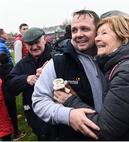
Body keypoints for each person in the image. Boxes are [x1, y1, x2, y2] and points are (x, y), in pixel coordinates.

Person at [54, 15, 129, 140]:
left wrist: (70, 101)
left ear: (123, 37)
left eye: (104, 33)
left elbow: (104, 130)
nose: (97, 38)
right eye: (97, 34)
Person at [32, 10, 104, 140]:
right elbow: (39, 100)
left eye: (85, 29)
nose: (78, 34)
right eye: (74, 30)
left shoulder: (111, 56)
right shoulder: (58, 63)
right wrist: (68, 115)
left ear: (97, 31)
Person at [7, 27, 57, 140]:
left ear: (44, 39)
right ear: (25, 45)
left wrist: (51, 71)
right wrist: (26, 79)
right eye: (30, 44)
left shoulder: (56, 57)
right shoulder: (23, 64)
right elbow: (10, 85)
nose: (34, 47)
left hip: (57, 108)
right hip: (35, 113)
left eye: (37, 42)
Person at [0, 28, 23, 140]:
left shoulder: (3, 44)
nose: (6, 34)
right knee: (9, 105)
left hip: (5, 77)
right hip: (5, 79)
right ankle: (16, 132)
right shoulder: (2, 46)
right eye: (4, 33)